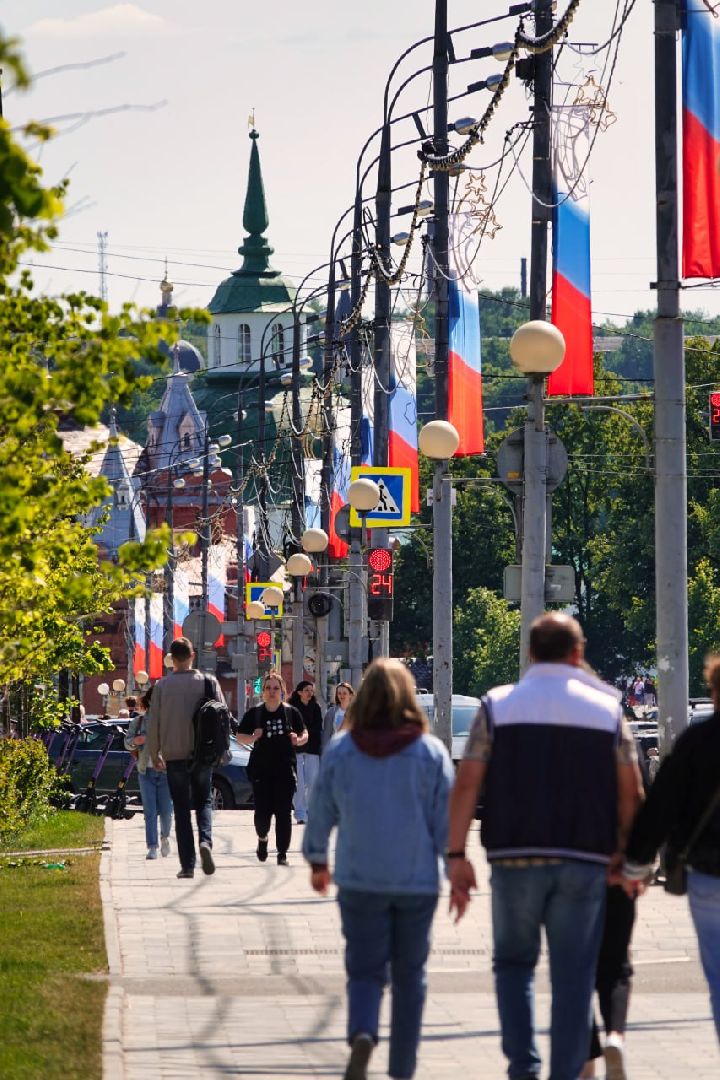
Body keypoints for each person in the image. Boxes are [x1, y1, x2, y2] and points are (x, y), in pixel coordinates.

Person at [448, 612, 643, 1080]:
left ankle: (523, 1067)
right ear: (578, 653)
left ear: (531, 652)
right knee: (574, 974)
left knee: (513, 964)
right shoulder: (607, 709)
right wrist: (627, 856)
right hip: (584, 859)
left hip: (513, 856)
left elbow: (467, 783)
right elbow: (631, 793)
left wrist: (455, 855)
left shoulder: (497, 706)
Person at [303, 659, 454, 1080]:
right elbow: (446, 820)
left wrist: (317, 859)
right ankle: (402, 1069)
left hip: (359, 878)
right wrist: (455, 866)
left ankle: (363, 1031)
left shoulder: (342, 750)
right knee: (410, 976)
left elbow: (320, 808)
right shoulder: (430, 753)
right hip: (416, 881)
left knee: (364, 968)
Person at [623, 653, 720, 1039]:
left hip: (709, 875)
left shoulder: (697, 742)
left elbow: (661, 806)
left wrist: (636, 862)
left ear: (713, 691)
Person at [146, 636, 225, 880]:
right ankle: (205, 842)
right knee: (204, 802)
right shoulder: (209, 682)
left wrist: (154, 753)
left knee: (180, 809)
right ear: (192, 656)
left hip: (174, 755)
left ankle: (188, 865)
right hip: (203, 753)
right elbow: (222, 716)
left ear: (172, 659)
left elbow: (153, 723)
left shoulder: (162, 687)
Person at [236, 671, 307, 866]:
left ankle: (282, 854)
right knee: (262, 814)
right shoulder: (255, 713)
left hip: (285, 771)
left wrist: (298, 739)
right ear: (263, 692)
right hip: (261, 772)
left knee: (284, 814)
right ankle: (262, 838)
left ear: (282, 691)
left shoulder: (291, 712)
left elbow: (304, 733)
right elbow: (239, 737)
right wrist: (253, 737)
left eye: (276, 688)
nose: (272, 691)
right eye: (268, 688)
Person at [124, 687, 173, 861]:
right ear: (150, 701)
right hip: (146, 771)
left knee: (166, 811)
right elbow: (127, 743)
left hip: (166, 772)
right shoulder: (138, 722)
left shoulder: (171, 722)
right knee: (150, 811)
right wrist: (136, 741)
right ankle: (152, 847)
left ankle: (165, 837)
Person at [288, 680, 323, 825]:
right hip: (297, 749)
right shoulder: (292, 708)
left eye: (311, 690)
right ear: (299, 692)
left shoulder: (316, 707)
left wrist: (307, 732)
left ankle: (310, 811)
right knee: (300, 783)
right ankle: (300, 813)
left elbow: (318, 726)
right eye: (306, 690)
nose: (309, 693)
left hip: (312, 749)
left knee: (312, 782)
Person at [322, 682, 355, 749]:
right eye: (339, 693)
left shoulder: (358, 712)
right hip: (337, 749)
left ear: (350, 695)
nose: (341, 695)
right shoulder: (331, 712)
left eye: (344, 693)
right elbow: (326, 735)